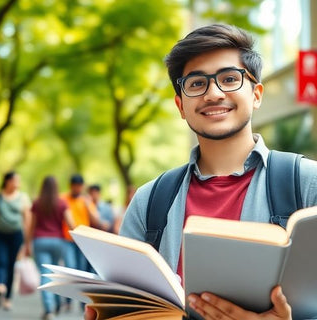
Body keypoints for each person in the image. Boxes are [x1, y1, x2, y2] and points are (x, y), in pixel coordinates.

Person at [85, 23, 317, 320]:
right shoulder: (149, 201)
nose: (214, 93)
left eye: (229, 78)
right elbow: (129, 304)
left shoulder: (307, 183)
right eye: (196, 83)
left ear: (256, 94)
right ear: (181, 105)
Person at [26, 176, 75, 320]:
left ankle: (49, 309)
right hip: (58, 242)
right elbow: (71, 223)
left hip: (40, 241)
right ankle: (58, 302)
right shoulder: (62, 203)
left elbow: (31, 226)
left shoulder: (37, 203)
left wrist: (27, 244)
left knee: (45, 274)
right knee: (55, 273)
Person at [61, 174, 102, 312]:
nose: (78, 188)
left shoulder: (86, 200)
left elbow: (96, 219)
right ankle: (67, 301)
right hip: (67, 240)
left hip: (82, 240)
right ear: (71, 186)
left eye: (80, 186)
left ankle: (81, 303)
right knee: (70, 268)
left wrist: (87, 204)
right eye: (75, 186)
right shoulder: (63, 198)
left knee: (82, 271)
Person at [0, 171, 31, 311]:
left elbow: (27, 219)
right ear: (7, 181)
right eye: (15, 180)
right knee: (1, 261)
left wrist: (27, 242)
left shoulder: (22, 197)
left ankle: (8, 298)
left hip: (16, 235)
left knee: (11, 265)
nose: (18, 183)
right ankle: (0, 285)